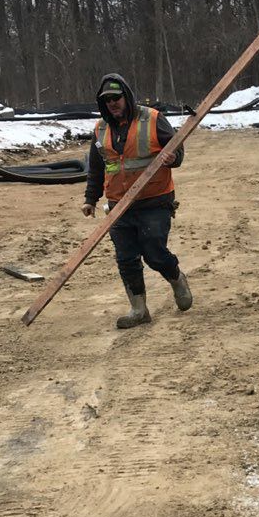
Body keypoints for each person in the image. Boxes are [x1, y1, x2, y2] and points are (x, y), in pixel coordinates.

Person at [82, 74, 192, 329]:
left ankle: (176, 278)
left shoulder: (152, 118)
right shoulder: (100, 129)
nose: (112, 103)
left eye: (116, 98)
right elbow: (98, 167)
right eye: (107, 100)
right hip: (119, 204)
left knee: (154, 251)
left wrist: (172, 158)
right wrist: (90, 198)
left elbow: (177, 150)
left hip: (154, 200)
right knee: (126, 258)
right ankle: (139, 309)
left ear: (126, 97)